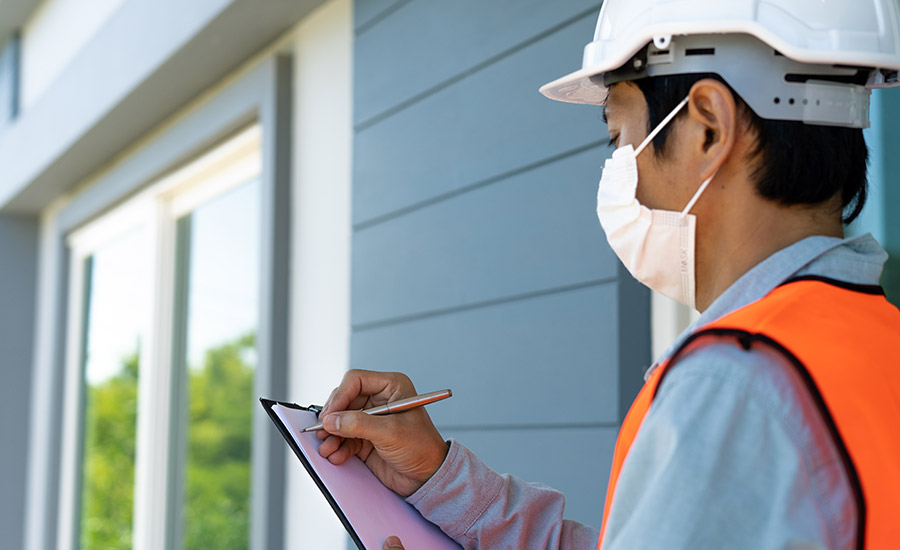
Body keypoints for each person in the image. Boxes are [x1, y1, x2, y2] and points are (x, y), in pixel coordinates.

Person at [316, 1, 900, 548]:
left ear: (707, 129)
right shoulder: (873, 340)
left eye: (620, 138)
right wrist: (442, 481)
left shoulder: (735, 382)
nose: (620, 170)